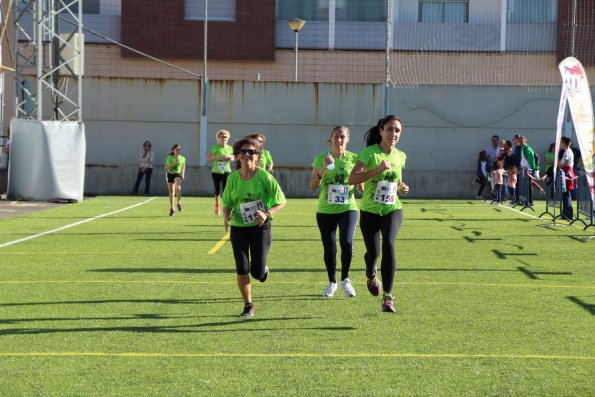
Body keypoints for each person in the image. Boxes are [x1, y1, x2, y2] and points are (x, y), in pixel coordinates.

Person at [348, 115, 409, 313]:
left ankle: (388, 297)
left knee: (389, 244)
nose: (393, 134)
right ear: (381, 131)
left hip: (393, 208)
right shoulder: (369, 153)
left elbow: (397, 180)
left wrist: (402, 187)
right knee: (373, 253)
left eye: (397, 130)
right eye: (390, 129)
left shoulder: (401, 156)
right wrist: (376, 170)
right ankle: (371, 272)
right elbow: (352, 178)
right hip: (370, 211)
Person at [222, 137, 286, 318]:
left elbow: (281, 201)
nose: (247, 155)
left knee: (257, 272)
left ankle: (263, 270)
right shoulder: (233, 178)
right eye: (243, 151)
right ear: (237, 156)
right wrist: (226, 214)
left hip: (260, 227)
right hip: (239, 227)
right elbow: (226, 201)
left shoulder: (265, 177)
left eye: (252, 152)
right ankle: (248, 305)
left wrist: (266, 214)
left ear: (258, 156)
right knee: (241, 267)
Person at [310, 126, 361, 298]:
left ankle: (345, 280)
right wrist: (324, 168)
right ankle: (332, 282)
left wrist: (361, 184)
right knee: (329, 246)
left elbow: (360, 184)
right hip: (326, 210)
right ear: (331, 139)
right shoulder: (321, 158)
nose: (339, 140)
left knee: (346, 242)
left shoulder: (355, 158)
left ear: (348, 139)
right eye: (336, 137)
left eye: (342, 137)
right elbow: (313, 186)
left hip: (348, 208)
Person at [207, 129, 234, 216]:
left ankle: (225, 206)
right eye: (222, 137)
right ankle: (217, 204)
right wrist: (220, 158)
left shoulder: (230, 148)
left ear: (228, 138)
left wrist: (230, 157)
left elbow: (234, 157)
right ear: (218, 138)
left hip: (226, 170)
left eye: (225, 137)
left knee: (226, 189)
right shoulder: (215, 147)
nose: (224, 139)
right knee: (217, 190)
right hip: (216, 171)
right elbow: (209, 159)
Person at [165, 144, 186, 216]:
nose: (178, 151)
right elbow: (166, 167)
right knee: (171, 192)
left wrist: (183, 174)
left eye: (179, 149)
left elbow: (183, 166)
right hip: (170, 174)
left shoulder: (182, 158)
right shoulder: (170, 157)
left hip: (177, 174)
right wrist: (174, 163)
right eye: (176, 150)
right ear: (173, 150)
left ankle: (179, 203)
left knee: (178, 187)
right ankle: (172, 208)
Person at [559, 136, 575, 220]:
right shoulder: (566, 151)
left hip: (567, 172)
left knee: (567, 193)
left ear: (564, 143)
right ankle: (565, 213)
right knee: (565, 193)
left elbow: (565, 163)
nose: (560, 143)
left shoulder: (568, 151)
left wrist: (558, 167)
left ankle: (568, 214)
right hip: (565, 171)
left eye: (561, 142)